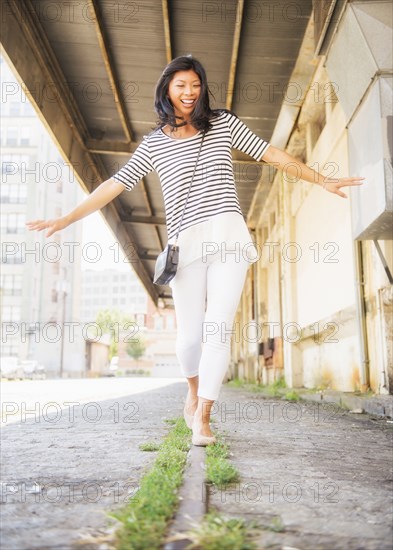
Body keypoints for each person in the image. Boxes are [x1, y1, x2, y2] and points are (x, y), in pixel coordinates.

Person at [26, 55, 364, 446]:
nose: (189, 92)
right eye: (181, 85)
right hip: (185, 247)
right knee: (188, 339)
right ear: (166, 89)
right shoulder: (153, 144)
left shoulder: (222, 124)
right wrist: (67, 219)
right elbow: (115, 185)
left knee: (217, 329)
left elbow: (271, 153)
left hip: (230, 241)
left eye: (196, 85)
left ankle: (204, 416)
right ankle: (192, 388)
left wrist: (321, 180)